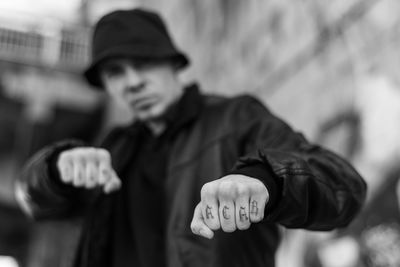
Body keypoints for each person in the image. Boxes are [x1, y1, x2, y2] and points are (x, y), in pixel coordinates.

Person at [15, 8, 367, 267]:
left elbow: (343, 187)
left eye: (144, 62)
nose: (133, 81)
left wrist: (266, 181)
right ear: (106, 85)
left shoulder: (235, 117)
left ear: (173, 64)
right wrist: (55, 169)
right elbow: (34, 202)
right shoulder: (111, 150)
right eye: (115, 72)